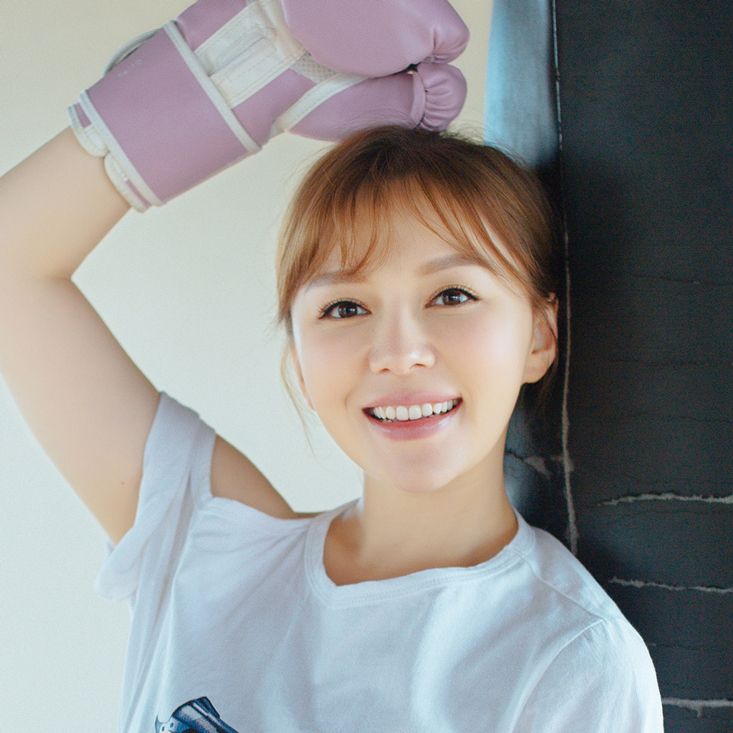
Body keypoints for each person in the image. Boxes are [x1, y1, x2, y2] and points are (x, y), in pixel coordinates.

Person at [0, 1, 663, 731]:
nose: (398, 351)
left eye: (452, 295)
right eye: (345, 307)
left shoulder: (569, 658)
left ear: (538, 335)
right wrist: (247, 61)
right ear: (298, 357)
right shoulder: (204, 554)